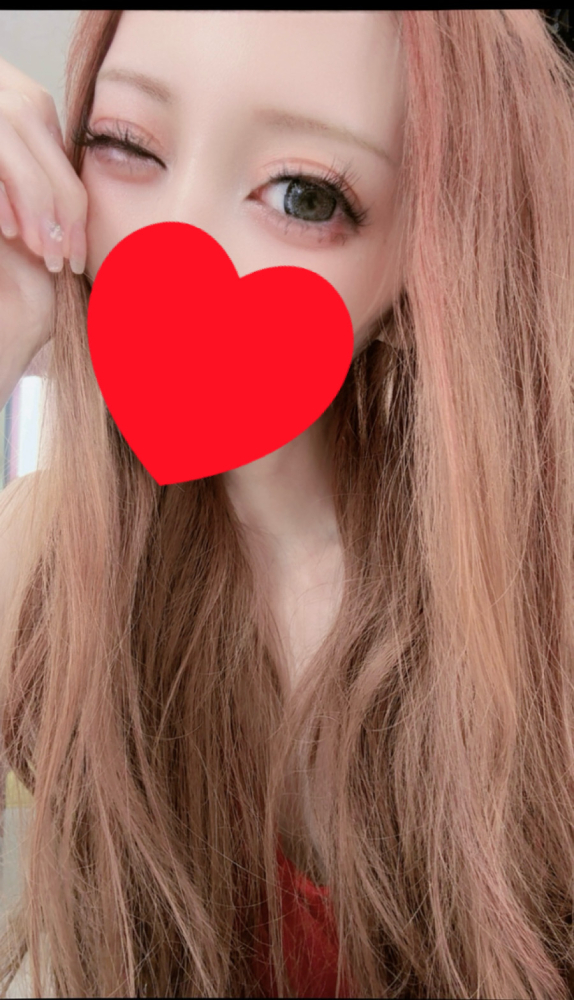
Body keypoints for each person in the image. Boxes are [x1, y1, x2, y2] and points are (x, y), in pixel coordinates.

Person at [0, 10, 573, 998]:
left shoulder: (542, 625)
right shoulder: (40, 558)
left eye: (305, 195)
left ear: (427, 269)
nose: (174, 238)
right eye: (126, 143)